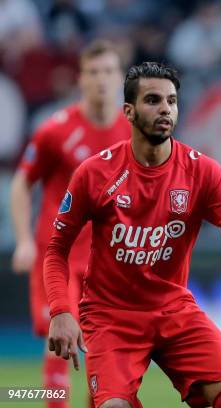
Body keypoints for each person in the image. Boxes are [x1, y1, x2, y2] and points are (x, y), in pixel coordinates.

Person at [44, 62, 221, 408]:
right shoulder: (94, 173)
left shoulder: (203, 172)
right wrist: (61, 311)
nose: (165, 108)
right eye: (152, 100)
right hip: (110, 316)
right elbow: (56, 250)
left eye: (171, 101)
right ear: (129, 111)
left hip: (174, 310)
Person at [10, 39, 130, 408]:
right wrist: (23, 241)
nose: (101, 80)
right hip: (57, 256)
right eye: (93, 73)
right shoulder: (55, 130)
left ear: (121, 78)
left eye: (109, 72)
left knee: (102, 352)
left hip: (107, 261)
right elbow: (21, 184)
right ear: (80, 79)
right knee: (60, 345)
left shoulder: (133, 132)